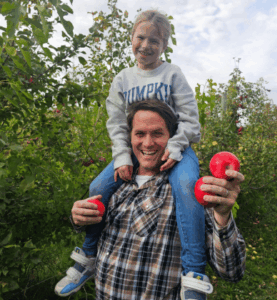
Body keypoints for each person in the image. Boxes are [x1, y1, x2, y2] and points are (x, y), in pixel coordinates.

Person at [55, 9, 227, 299]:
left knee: (187, 188)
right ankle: (88, 256)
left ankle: (193, 272)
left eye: (155, 40)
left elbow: (190, 119)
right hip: (134, 152)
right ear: (131, 38)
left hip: (176, 148)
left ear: (164, 45)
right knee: (97, 187)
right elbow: (116, 124)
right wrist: (122, 157)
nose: (146, 45)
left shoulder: (172, 74)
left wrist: (175, 146)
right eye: (141, 37)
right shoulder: (123, 79)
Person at [69, 100, 246, 300]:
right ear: (129, 137)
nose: (147, 143)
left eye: (157, 133)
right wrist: (78, 218)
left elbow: (232, 272)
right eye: (140, 134)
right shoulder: (115, 187)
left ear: (173, 137)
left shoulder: (187, 195)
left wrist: (222, 217)